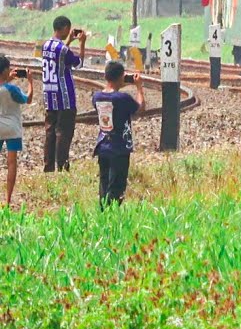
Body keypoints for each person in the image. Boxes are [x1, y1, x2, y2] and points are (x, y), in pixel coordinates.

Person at [91, 61, 144, 209]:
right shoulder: (123, 98)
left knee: (104, 185)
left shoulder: (97, 97)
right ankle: (111, 216)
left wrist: (117, 84)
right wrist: (139, 88)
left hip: (103, 146)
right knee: (117, 187)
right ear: (121, 77)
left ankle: (103, 215)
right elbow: (140, 109)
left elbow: (107, 92)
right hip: (119, 147)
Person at [42, 16, 85, 173]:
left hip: (49, 96)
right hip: (64, 98)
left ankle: (48, 168)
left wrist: (69, 42)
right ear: (66, 28)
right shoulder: (63, 50)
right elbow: (79, 63)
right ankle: (62, 167)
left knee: (50, 132)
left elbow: (59, 57)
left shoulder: (46, 45)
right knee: (64, 133)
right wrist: (82, 43)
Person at [0, 56, 34, 207]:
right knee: (11, 163)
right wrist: (31, 82)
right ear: (6, 70)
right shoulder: (12, 89)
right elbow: (28, 99)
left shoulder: (6, 86)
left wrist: (8, 80)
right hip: (12, 128)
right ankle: (7, 200)